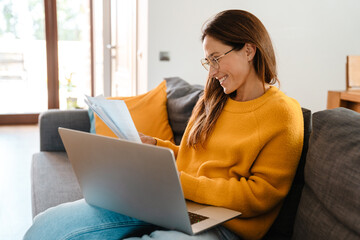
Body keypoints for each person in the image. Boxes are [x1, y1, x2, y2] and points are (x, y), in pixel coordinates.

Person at [23, 9, 303, 240]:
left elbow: (260, 195)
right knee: (48, 227)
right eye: (208, 61)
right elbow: (192, 155)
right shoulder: (213, 99)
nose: (213, 71)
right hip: (174, 201)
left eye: (216, 58)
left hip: (226, 224)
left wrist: (180, 185)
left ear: (249, 50)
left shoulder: (283, 114)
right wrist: (157, 147)